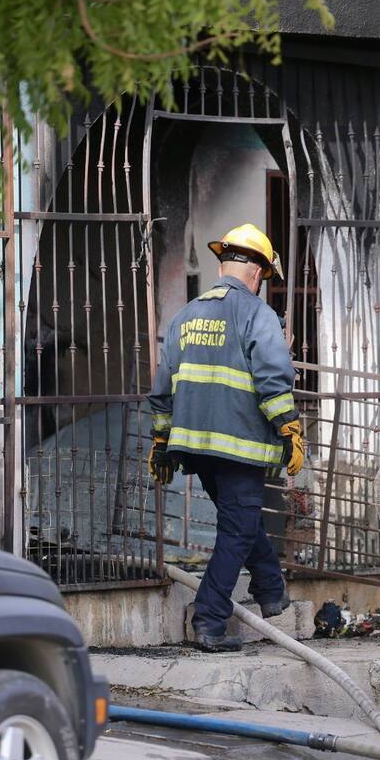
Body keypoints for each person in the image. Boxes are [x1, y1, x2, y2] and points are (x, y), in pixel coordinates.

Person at [148, 223, 305, 652]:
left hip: (196, 448)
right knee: (236, 530)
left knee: (242, 519)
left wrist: (161, 442)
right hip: (239, 447)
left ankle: (272, 593)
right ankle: (211, 619)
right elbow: (273, 380)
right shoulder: (258, 315)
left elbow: (163, 387)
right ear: (257, 271)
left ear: (224, 263)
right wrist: (289, 428)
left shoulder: (185, 315)